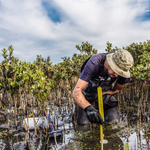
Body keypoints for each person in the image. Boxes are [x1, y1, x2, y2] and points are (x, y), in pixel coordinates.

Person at [72, 49, 134, 125]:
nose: (117, 75)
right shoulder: (95, 62)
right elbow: (76, 91)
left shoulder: (124, 69)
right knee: (83, 125)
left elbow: (117, 89)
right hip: (87, 97)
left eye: (119, 72)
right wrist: (89, 108)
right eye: (115, 70)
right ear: (109, 61)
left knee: (114, 123)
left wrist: (103, 94)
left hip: (104, 97)